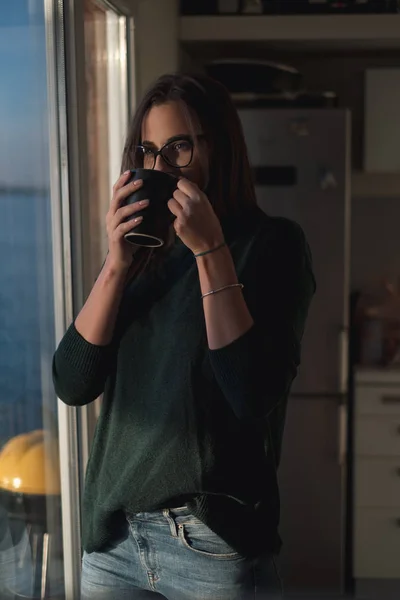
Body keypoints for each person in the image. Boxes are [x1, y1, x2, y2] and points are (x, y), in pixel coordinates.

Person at [52, 72, 315, 600]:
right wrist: (116, 263)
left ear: (219, 146)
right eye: (149, 151)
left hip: (211, 546)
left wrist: (210, 250)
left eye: (179, 146)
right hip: (115, 543)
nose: (162, 167)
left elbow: (251, 392)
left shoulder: (272, 244)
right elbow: (73, 383)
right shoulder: (141, 258)